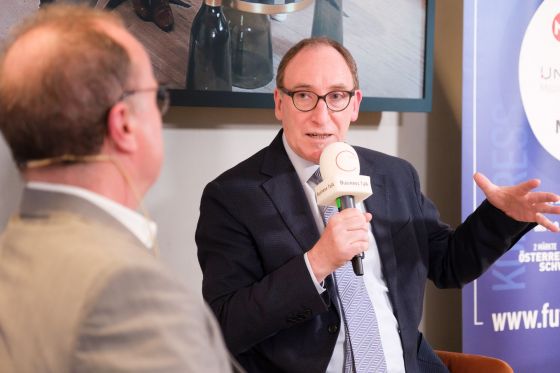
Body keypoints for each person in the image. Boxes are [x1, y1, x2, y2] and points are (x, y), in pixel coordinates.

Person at [195, 37, 560, 373]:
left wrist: (502, 217)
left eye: (336, 96)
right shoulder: (232, 196)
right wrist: (317, 263)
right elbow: (227, 325)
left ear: (354, 104)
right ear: (279, 103)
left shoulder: (395, 175)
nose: (321, 116)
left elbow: (449, 266)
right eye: (303, 96)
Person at [0, 5, 234, 373]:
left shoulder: (14, 248)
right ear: (123, 124)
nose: (160, 112)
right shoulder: (128, 290)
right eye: (156, 97)